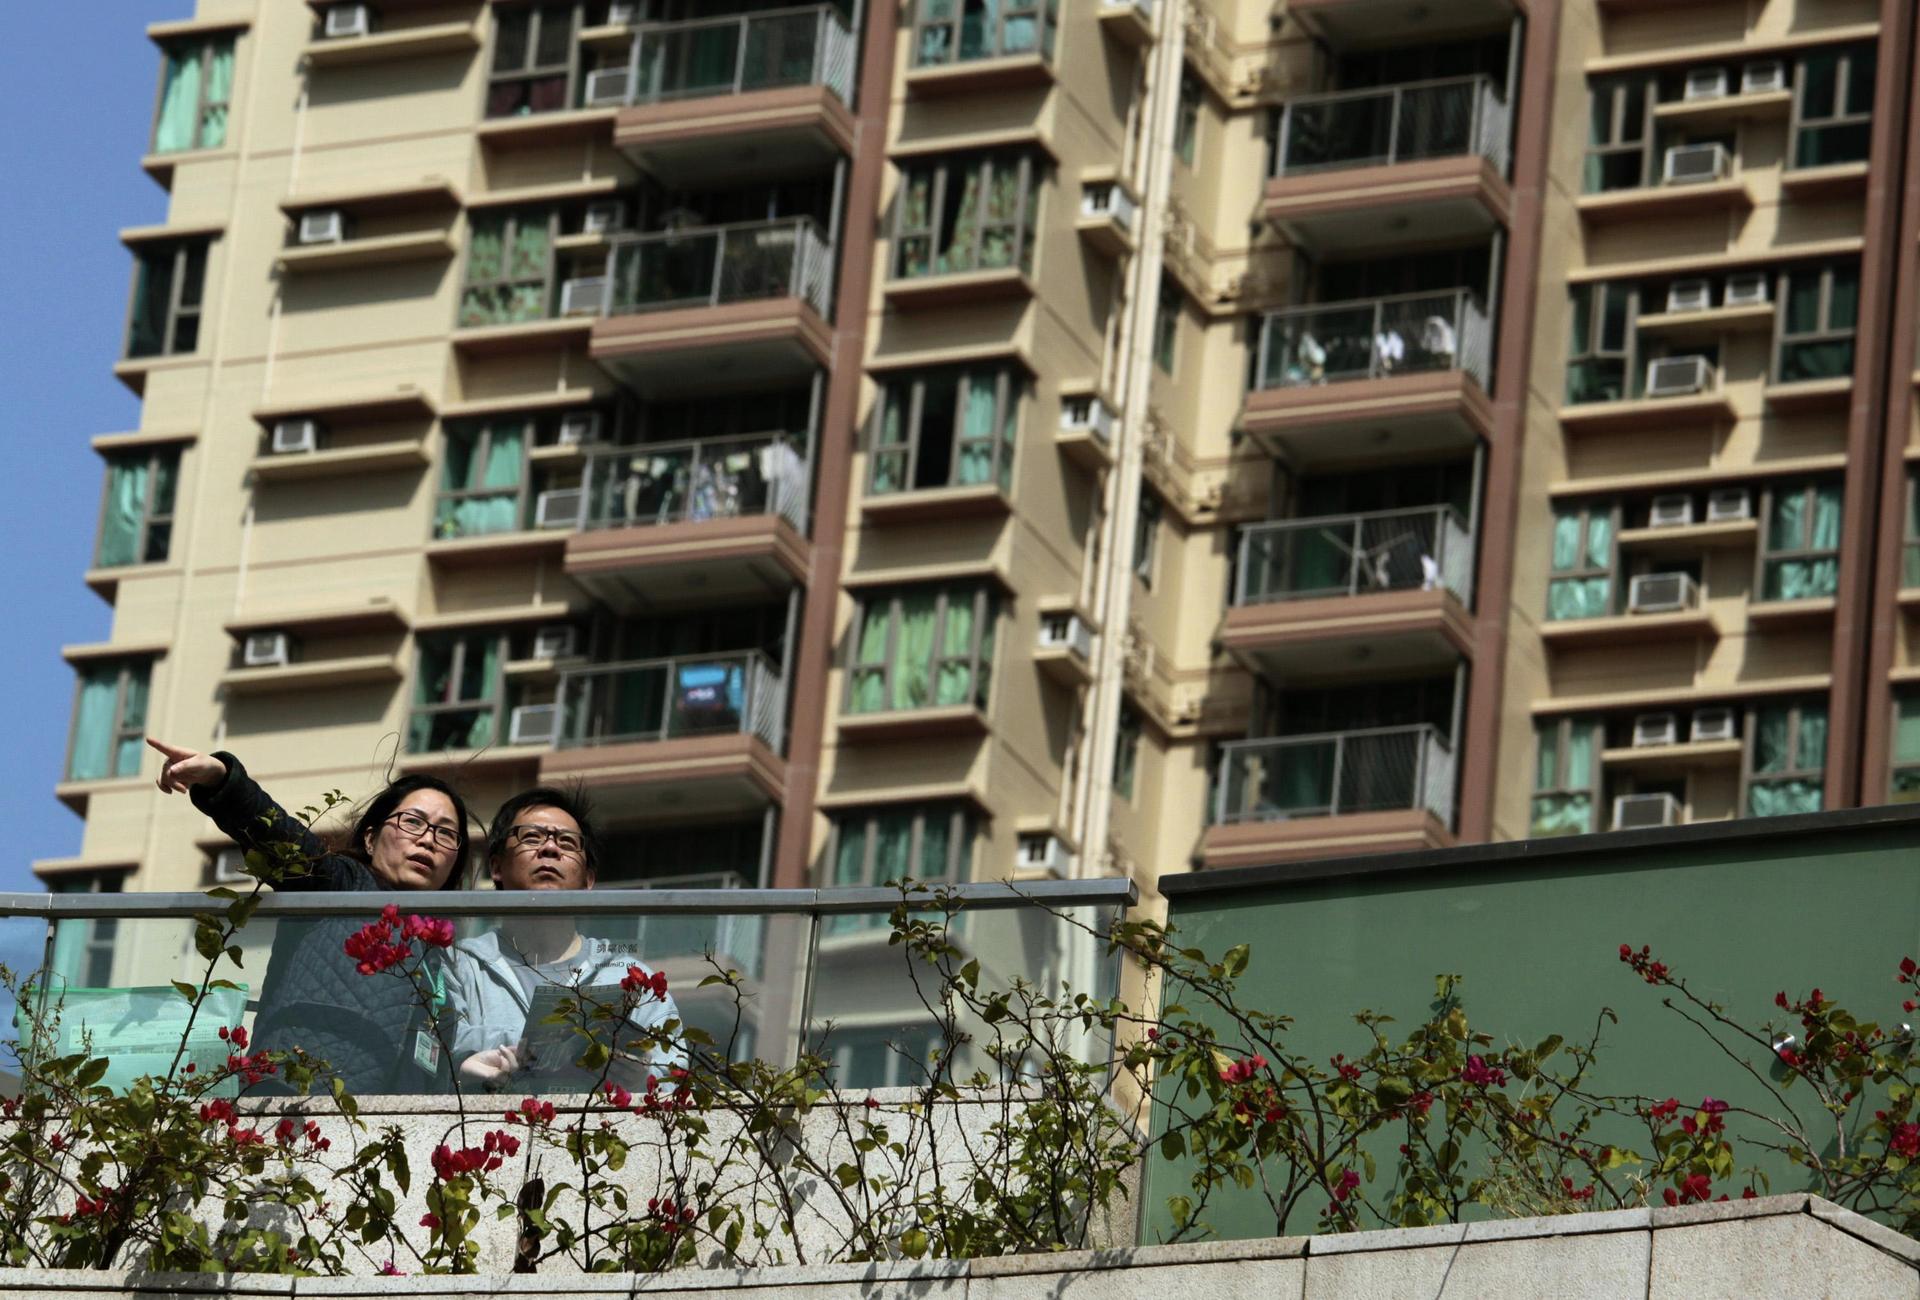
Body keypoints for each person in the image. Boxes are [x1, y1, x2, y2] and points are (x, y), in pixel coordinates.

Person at [146, 739, 471, 1094]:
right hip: (295, 1110)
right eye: (413, 822)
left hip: (389, 1133)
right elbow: (284, 839)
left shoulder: (438, 953)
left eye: (446, 833)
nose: (428, 840)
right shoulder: (339, 885)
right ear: (370, 838)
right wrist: (224, 783)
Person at [446, 786, 684, 1089]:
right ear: (496, 866)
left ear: (588, 880)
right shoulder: (459, 965)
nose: (550, 849)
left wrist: (641, 1080)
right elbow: (437, 1051)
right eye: (531, 837)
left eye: (567, 842)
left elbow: (674, 1078)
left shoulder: (631, 977)